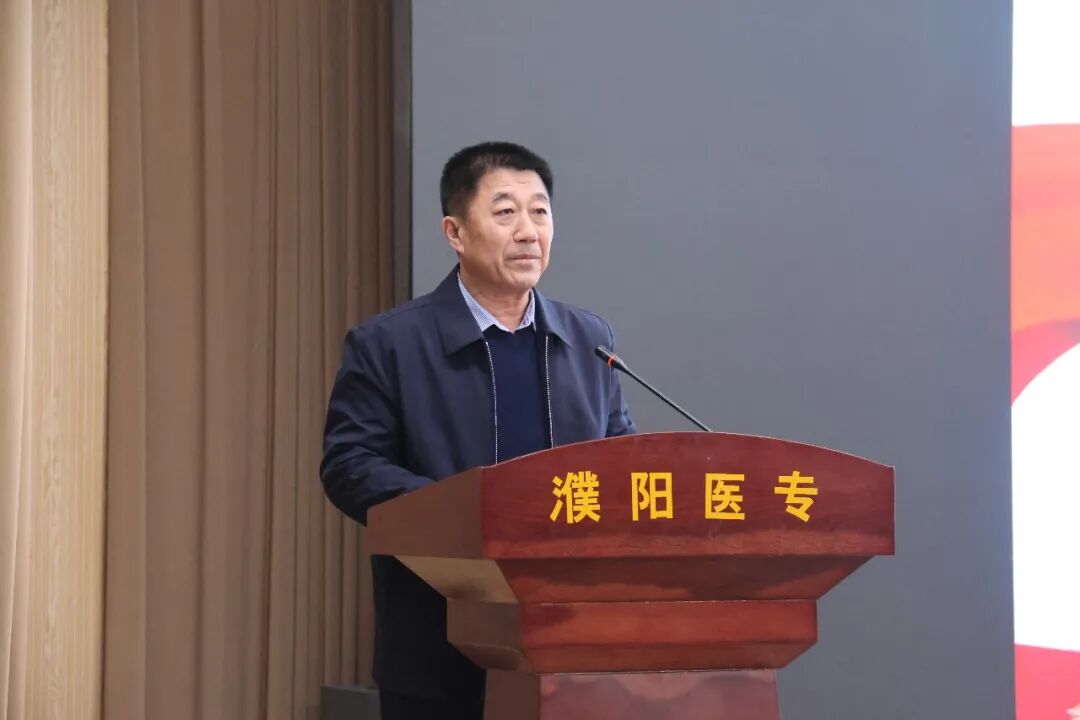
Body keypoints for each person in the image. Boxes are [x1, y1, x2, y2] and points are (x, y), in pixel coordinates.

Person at [320, 141, 636, 720]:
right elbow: (350, 466)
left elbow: (621, 462)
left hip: (571, 646)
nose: (528, 231)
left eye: (539, 212)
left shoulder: (588, 339)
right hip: (439, 642)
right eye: (505, 211)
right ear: (455, 232)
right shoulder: (389, 343)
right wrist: (465, 511)